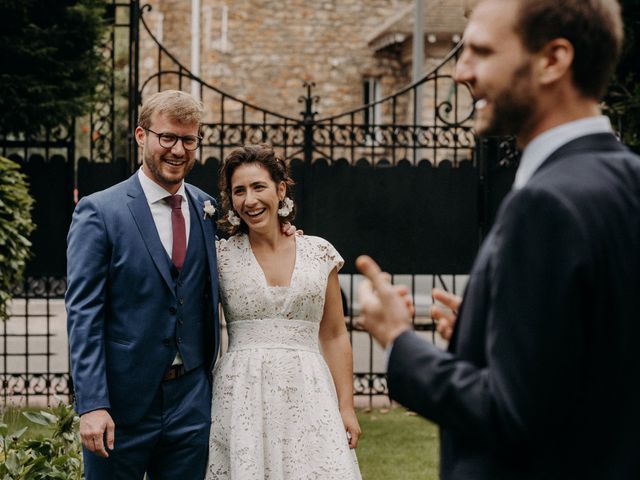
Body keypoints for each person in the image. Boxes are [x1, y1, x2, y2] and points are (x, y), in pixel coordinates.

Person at [356, 0, 640, 478]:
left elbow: (511, 417)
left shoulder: (544, 204)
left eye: (481, 52)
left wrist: (399, 339)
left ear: (553, 59)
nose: (459, 72)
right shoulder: (629, 178)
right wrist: (492, 334)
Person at [66, 89, 220, 479]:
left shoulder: (208, 209)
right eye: (167, 137)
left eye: (188, 140)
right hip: (120, 402)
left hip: (190, 401)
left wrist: (287, 232)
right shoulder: (100, 212)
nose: (178, 150)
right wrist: (92, 404)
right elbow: (83, 314)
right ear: (141, 136)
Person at [205, 144, 362, 479]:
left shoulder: (319, 253)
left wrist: (346, 407)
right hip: (242, 393)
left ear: (280, 189)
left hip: (309, 391)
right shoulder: (220, 258)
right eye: (239, 191)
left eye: (258, 187)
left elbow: (334, 334)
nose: (250, 200)